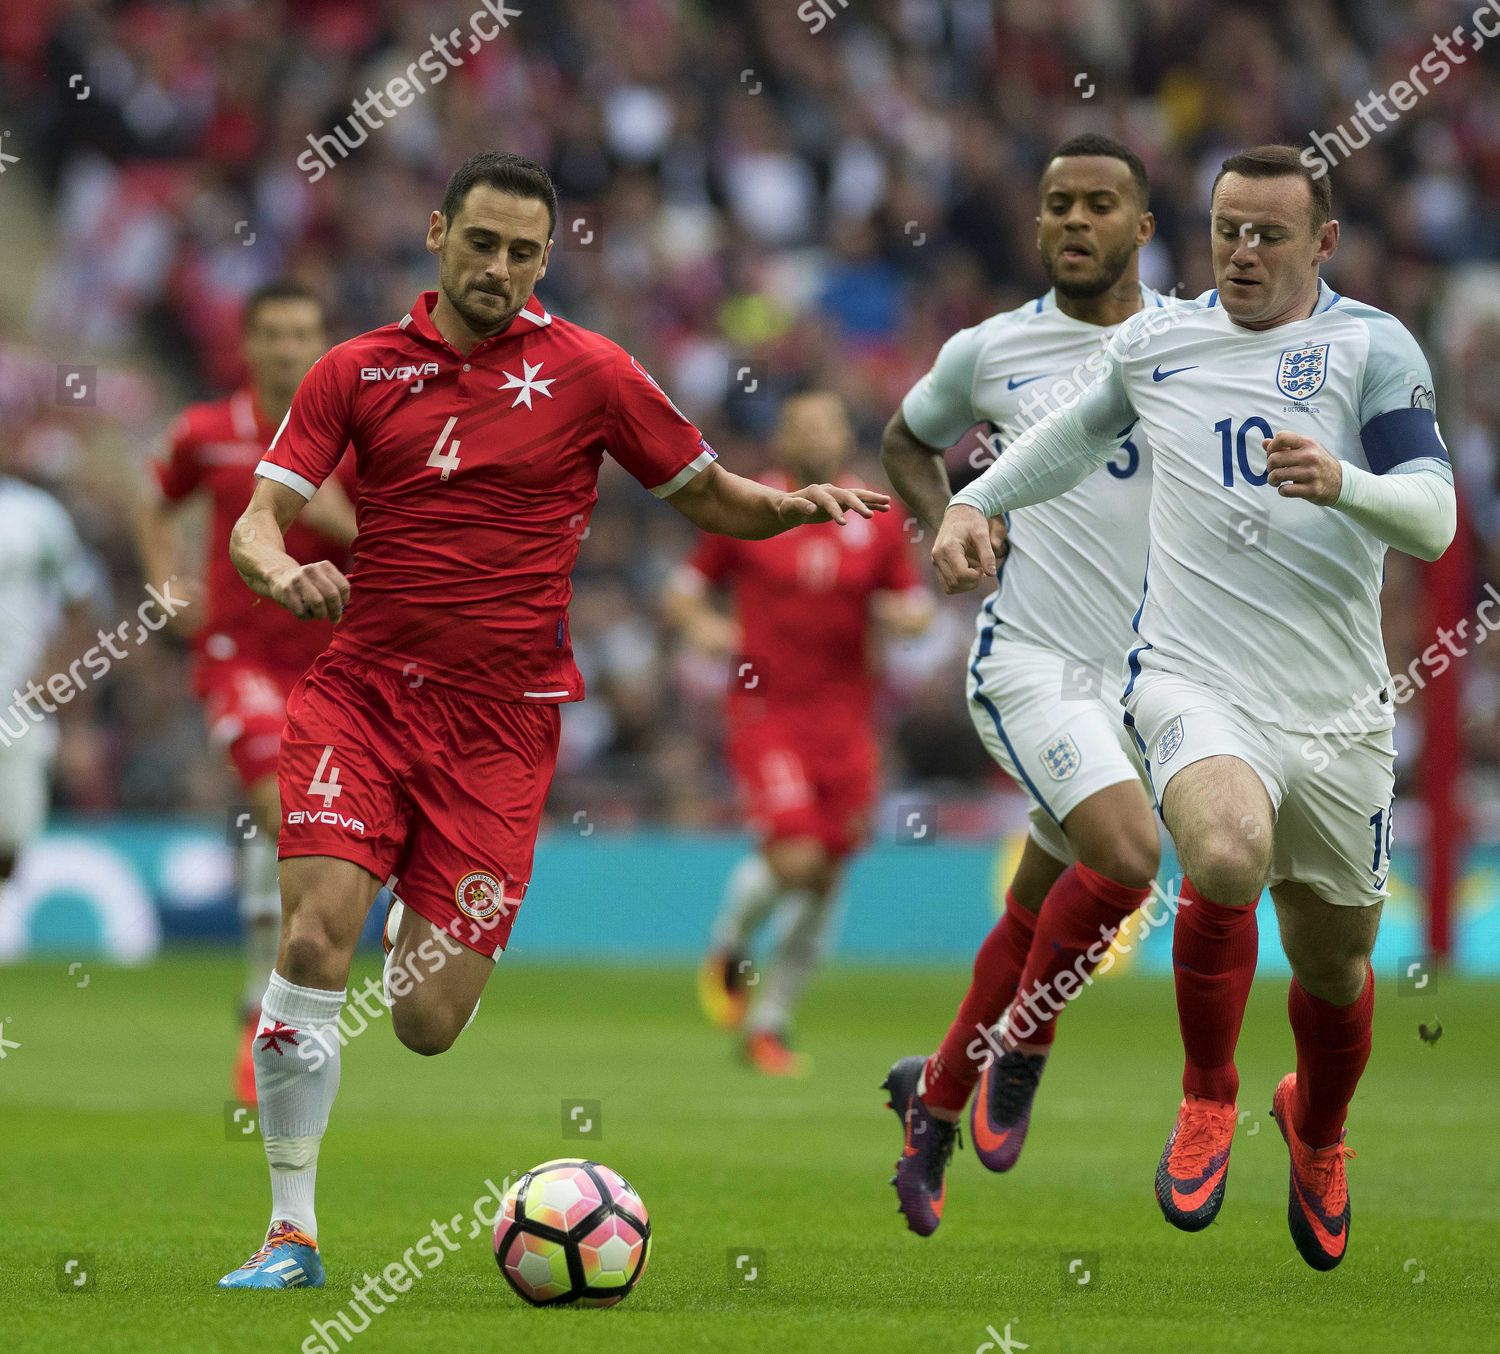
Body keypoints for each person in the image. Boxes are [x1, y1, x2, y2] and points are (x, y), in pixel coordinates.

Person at [218, 151, 887, 1289]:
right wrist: (282, 573)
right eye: (481, 241)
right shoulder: (356, 369)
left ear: (547, 255)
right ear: (437, 231)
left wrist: (788, 510)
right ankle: (292, 1230)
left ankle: (413, 921)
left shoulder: (593, 370)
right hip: (363, 694)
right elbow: (256, 523)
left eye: (524, 250)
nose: (500, 267)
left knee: (425, 1018)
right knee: (311, 936)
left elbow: (707, 490)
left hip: (504, 727)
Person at [933, 144, 1455, 1271]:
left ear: (1323, 242)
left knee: (1335, 969)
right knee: (1220, 854)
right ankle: (1208, 1095)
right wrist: (975, 501)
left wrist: (1345, 482)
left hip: (1338, 714)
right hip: (1188, 679)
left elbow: (1433, 517)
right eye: (1227, 229)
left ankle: (1314, 1127)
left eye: (1270, 233)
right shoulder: (1160, 342)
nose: (1244, 251)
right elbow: (1070, 436)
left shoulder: (1371, 347)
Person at [879, 134, 1167, 1235]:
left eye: (1100, 204)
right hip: (1033, 663)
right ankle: (1026, 1040)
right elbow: (908, 439)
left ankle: (934, 1102)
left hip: (1153, 681)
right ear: (1037, 224)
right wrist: (943, 525)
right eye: (1057, 205)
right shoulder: (990, 349)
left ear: (1142, 228)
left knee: (1039, 897)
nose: (1075, 221)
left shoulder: (1187, 343)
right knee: (1129, 858)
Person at [667, 388, 932, 1077]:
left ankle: (770, 1025)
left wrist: (912, 620)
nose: (815, 435)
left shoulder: (875, 516)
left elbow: (912, 603)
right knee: (796, 857)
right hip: (767, 711)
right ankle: (729, 943)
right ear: (782, 435)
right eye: (802, 423)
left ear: (844, 435)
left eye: (827, 423)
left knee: (827, 874)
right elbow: (683, 591)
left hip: (848, 721)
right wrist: (703, 626)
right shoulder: (749, 507)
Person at [138, 281, 357, 1104]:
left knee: (302, 832)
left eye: (303, 331)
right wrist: (166, 582)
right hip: (240, 658)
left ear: (318, 341)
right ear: (249, 343)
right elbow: (155, 502)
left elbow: (391, 540)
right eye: (272, 332)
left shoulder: (353, 440)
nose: (287, 347)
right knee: (281, 808)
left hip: (337, 665)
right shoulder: (207, 433)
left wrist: (342, 525)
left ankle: (258, 1004)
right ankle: (264, 1016)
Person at [0, 465, 96, 896]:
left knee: (10, 836)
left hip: (17, 696)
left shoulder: (37, 514)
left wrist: (55, 671)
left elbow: (81, 600)